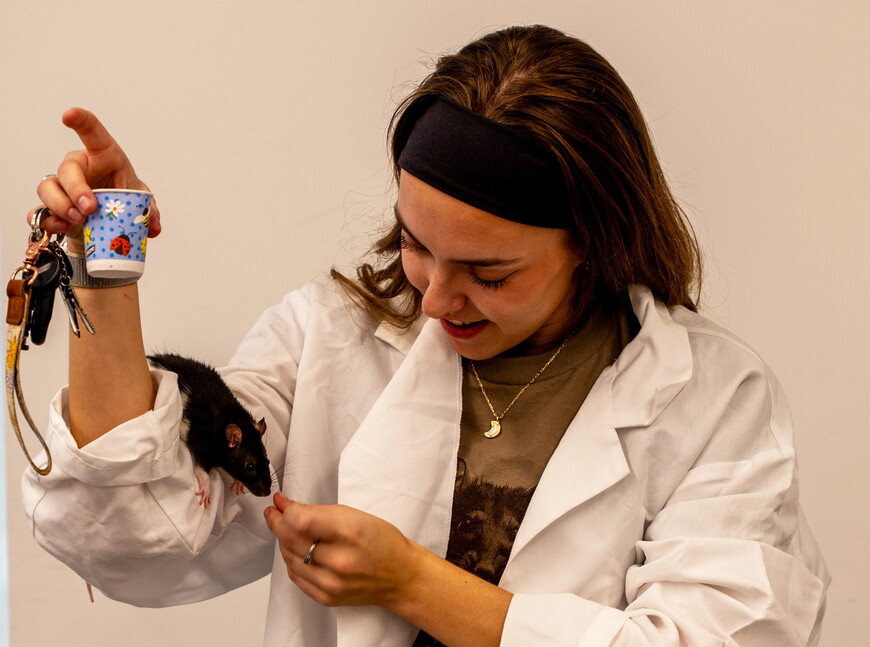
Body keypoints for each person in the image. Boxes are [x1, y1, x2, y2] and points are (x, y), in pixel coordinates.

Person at [22, 24, 829, 647]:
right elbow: (133, 531)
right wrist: (106, 262)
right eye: (415, 244)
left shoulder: (713, 399)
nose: (438, 297)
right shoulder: (329, 342)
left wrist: (411, 582)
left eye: (490, 271)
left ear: (593, 241)